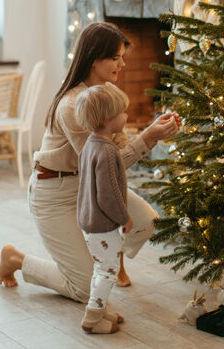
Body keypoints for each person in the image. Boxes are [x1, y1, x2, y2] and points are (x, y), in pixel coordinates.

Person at [0, 22, 180, 306]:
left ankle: (112, 255)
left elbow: (116, 152)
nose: (123, 63)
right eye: (116, 57)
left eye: (122, 56)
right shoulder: (73, 106)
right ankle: (17, 259)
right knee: (83, 289)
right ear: (95, 58)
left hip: (88, 186)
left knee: (146, 222)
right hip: (55, 192)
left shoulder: (106, 95)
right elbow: (103, 165)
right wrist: (148, 137)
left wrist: (152, 134)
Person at [75, 83, 132, 334]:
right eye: (123, 112)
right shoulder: (108, 151)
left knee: (101, 268)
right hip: (103, 223)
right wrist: (124, 218)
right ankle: (92, 318)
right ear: (109, 119)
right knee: (108, 270)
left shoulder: (91, 143)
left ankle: (100, 308)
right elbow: (109, 196)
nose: (126, 116)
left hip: (89, 221)